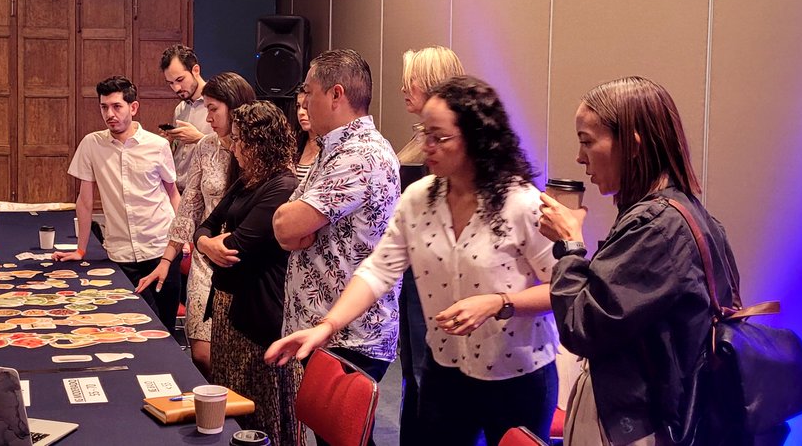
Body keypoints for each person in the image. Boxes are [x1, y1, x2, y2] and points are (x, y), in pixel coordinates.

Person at [268, 75, 559, 446]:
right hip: (446, 369)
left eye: (440, 137)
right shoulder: (419, 199)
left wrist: (500, 303)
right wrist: (327, 326)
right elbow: (378, 269)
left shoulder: (521, 203)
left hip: (518, 374)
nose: (427, 147)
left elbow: (564, 290)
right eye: (425, 134)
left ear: (476, 138)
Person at [537, 76, 748, 445]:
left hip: (638, 425)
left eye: (587, 141)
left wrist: (570, 245)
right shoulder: (689, 213)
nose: (580, 156)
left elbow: (582, 327)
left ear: (632, 144)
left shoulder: (655, 227)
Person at [271, 49, 400, 446]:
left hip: (351, 334)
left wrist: (297, 227)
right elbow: (285, 225)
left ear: (336, 94)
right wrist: (296, 226)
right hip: (328, 329)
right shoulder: (332, 148)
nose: (303, 102)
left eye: (308, 91)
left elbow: (286, 224)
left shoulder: (360, 155)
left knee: (345, 440)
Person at [136, 72, 257, 378]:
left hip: (243, 262)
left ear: (236, 107)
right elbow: (189, 206)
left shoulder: (258, 149)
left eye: (214, 108)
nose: (208, 116)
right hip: (205, 259)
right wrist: (168, 258)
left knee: (236, 357)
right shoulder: (206, 147)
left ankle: (230, 417)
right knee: (202, 355)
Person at [195, 101, 301, 446]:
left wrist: (208, 244)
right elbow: (205, 226)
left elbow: (238, 249)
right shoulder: (247, 181)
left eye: (241, 140)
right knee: (234, 399)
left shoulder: (281, 185)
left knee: (262, 409)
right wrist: (207, 245)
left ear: (261, 144)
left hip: (258, 314)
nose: (234, 147)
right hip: (228, 307)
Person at [53, 76, 182, 328]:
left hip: (160, 248)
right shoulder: (92, 144)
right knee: (128, 326)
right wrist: (81, 249)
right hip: (120, 253)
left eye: (116, 106)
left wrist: (182, 238)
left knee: (164, 329)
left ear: (133, 108)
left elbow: (172, 193)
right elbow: (85, 200)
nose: (109, 114)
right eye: (104, 107)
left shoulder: (158, 145)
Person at [394, 45, 466, 445]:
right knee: (413, 377)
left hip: (432, 278)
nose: (405, 90)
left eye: (412, 82)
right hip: (410, 274)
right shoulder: (419, 141)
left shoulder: (439, 152)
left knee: (427, 376)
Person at [160, 44, 211, 192]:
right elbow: (181, 151)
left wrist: (199, 138)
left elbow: (231, 148)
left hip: (205, 190)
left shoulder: (218, 104)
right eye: (171, 83)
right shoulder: (180, 109)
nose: (176, 88)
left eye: (180, 79)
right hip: (178, 188)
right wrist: (169, 142)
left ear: (195, 70)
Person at [292, 91, 319, 182]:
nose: (301, 112)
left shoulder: (331, 144)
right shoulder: (294, 143)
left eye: (306, 107)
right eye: (298, 106)